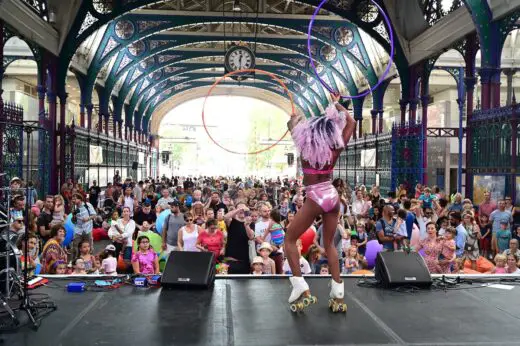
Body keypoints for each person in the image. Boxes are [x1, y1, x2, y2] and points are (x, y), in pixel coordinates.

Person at [285, 93, 355, 312]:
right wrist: (335, 106)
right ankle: (339, 294)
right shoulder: (335, 148)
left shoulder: (305, 148)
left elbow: (292, 125)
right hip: (333, 197)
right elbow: (351, 121)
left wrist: (295, 119)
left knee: (289, 240)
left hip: (315, 197)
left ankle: (300, 285)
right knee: (329, 246)